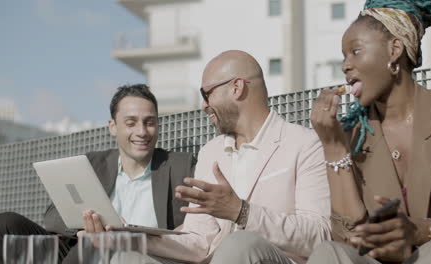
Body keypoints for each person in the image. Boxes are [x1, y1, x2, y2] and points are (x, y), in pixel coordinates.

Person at [117, 50, 330, 264]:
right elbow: (200, 242)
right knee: (127, 258)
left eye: (206, 93)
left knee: (239, 243)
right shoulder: (210, 152)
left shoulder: (306, 144)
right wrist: (133, 238)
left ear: (236, 88)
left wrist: (242, 212)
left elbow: (320, 235)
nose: (203, 105)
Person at [308, 0, 431, 263]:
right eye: (344, 56)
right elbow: (348, 238)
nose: (345, 66)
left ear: (394, 50)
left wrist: (419, 231)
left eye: (355, 51)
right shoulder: (350, 137)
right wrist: (335, 149)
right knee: (328, 253)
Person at [0, 84, 196, 264]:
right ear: (113, 127)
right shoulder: (93, 163)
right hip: (78, 252)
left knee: (99, 242)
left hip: (137, 255)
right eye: (131, 123)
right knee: (6, 223)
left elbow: (200, 226)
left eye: (149, 122)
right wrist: (86, 224)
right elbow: (52, 218)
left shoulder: (182, 166)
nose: (142, 131)